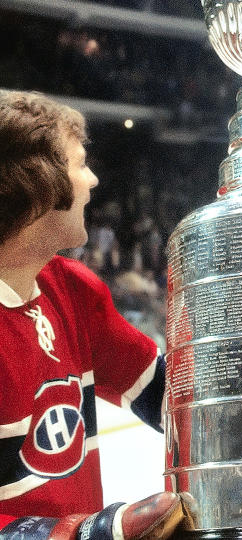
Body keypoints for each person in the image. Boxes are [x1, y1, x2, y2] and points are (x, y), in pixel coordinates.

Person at [0, 91, 188, 539]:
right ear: (37, 181)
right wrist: (97, 531)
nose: (93, 180)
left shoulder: (73, 289)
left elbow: (171, 399)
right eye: (80, 163)